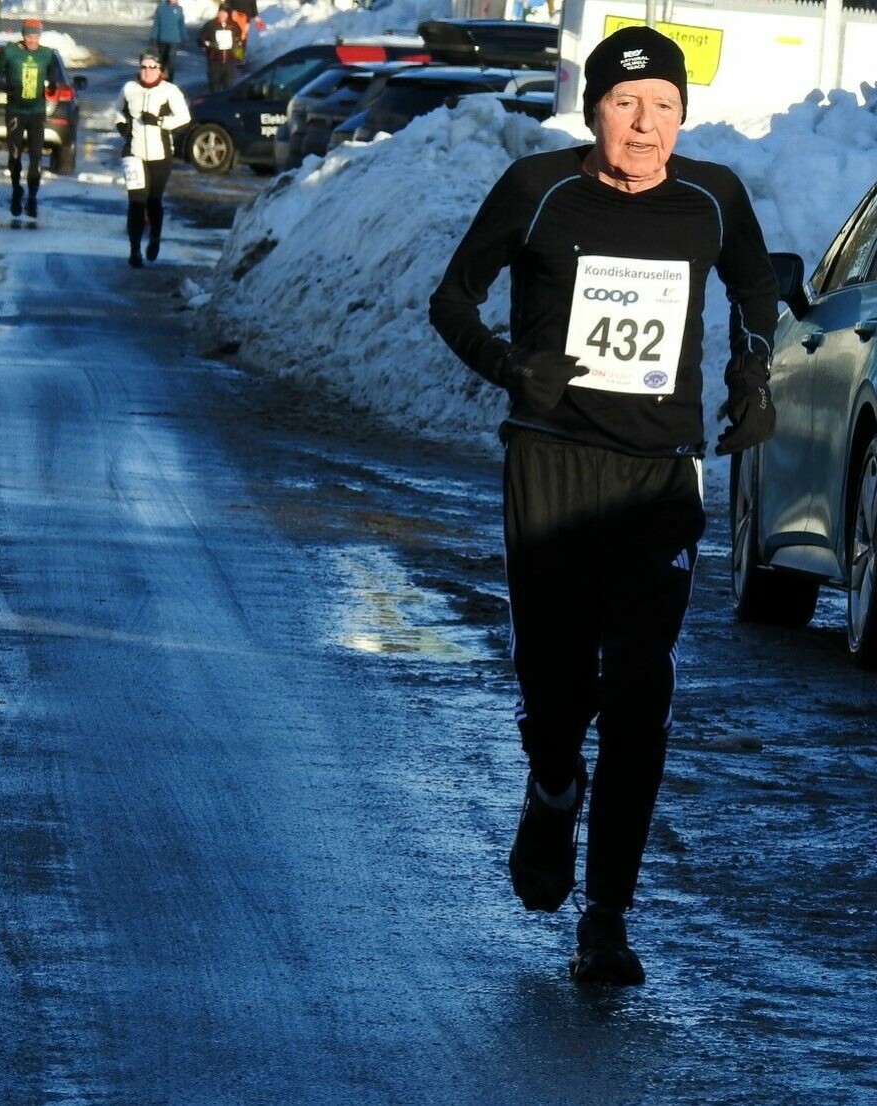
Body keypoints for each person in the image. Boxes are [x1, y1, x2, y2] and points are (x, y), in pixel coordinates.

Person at [429, 26, 778, 985]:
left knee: (639, 691)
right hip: (549, 460)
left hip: (659, 475)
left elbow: (756, 282)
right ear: (594, 112)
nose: (645, 125)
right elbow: (452, 299)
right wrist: (511, 368)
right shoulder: (539, 192)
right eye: (626, 105)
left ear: (682, 117)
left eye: (664, 106)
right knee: (555, 689)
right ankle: (550, 786)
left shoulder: (713, 198)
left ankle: (608, 917)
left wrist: (751, 373)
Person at [115, 50, 191, 268]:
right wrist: (121, 124)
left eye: (152, 67)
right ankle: (134, 250)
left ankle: (154, 238)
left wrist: (159, 121)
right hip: (134, 153)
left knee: (153, 200)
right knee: (136, 202)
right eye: (144, 67)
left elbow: (184, 118)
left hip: (160, 154)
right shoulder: (130, 89)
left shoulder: (170, 91)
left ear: (161, 70)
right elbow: (117, 110)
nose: (147, 71)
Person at [0, 18, 64, 219]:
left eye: (36, 36)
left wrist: (53, 84)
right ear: (24, 35)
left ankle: (32, 197)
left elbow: (54, 71)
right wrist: (7, 87)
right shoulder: (10, 52)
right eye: (29, 36)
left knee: (36, 156)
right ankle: (16, 189)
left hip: (37, 112)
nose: (32, 40)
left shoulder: (46, 53)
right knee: (14, 155)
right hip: (15, 111)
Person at [197, 6, 240, 91]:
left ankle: (225, 103)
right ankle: (214, 101)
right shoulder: (210, 25)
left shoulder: (233, 25)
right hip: (215, 59)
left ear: (228, 14)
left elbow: (239, 40)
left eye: (225, 13)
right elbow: (200, 39)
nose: (222, 15)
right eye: (221, 12)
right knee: (214, 85)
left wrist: (238, 55)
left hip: (229, 60)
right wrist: (210, 44)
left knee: (228, 86)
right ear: (218, 13)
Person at [149, 0, 186, 81]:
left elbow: (181, 24)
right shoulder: (161, 8)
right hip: (162, 39)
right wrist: (153, 38)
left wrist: (184, 37)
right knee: (161, 61)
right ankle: (159, 79)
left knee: (171, 61)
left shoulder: (179, 9)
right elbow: (156, 24)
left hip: (174, 40)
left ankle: (169, 81)